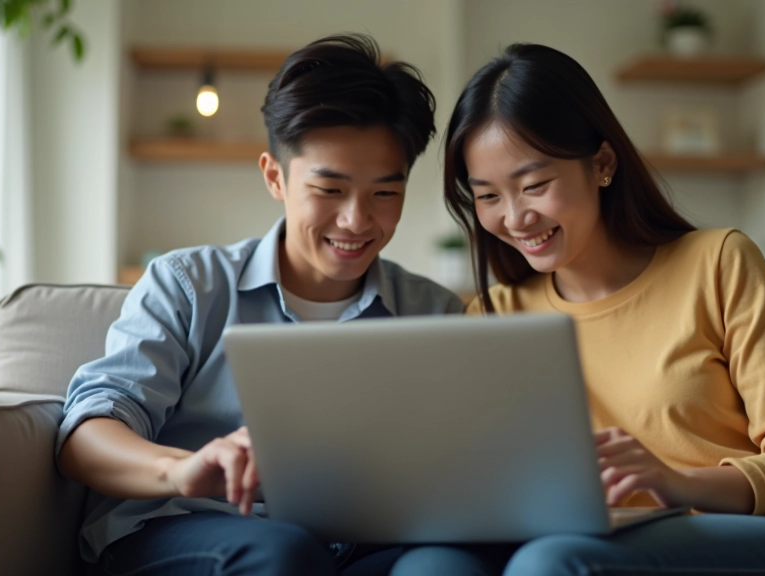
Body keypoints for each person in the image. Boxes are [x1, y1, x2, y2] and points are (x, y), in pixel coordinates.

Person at [431, 43, 765, 576]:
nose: (515, 217)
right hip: (625, 546)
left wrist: (677, 482)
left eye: (534, 185)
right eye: (488, 196)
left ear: (603, 164)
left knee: (555, 562)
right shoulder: (493, 317)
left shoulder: (718, 262)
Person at [56, 34, 464, 576]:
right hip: (188, 531)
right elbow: (85, 436)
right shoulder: (187, 284)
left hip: (363, 546)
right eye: (330, 190)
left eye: (385, 193)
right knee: (281, 553)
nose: (357, 221)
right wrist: (182, 469)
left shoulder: (433, 313)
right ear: (275, 176)